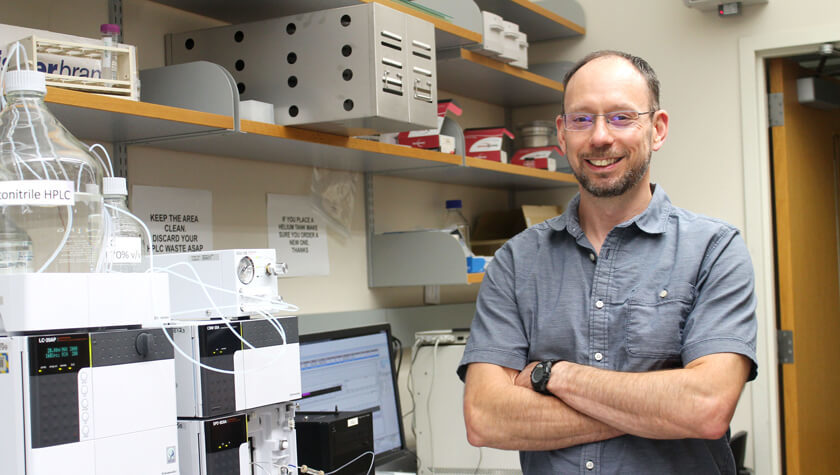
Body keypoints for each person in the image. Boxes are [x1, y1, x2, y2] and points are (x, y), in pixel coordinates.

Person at [457, 50, 758, 474]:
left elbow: (705, 408)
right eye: (582, 119)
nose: (600, 136)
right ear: (562, 135)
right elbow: (486, 418)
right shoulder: (515, 261)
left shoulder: (714, 250)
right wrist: (656, 412)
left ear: (658, 129)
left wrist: (551, 376)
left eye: (621, 117)